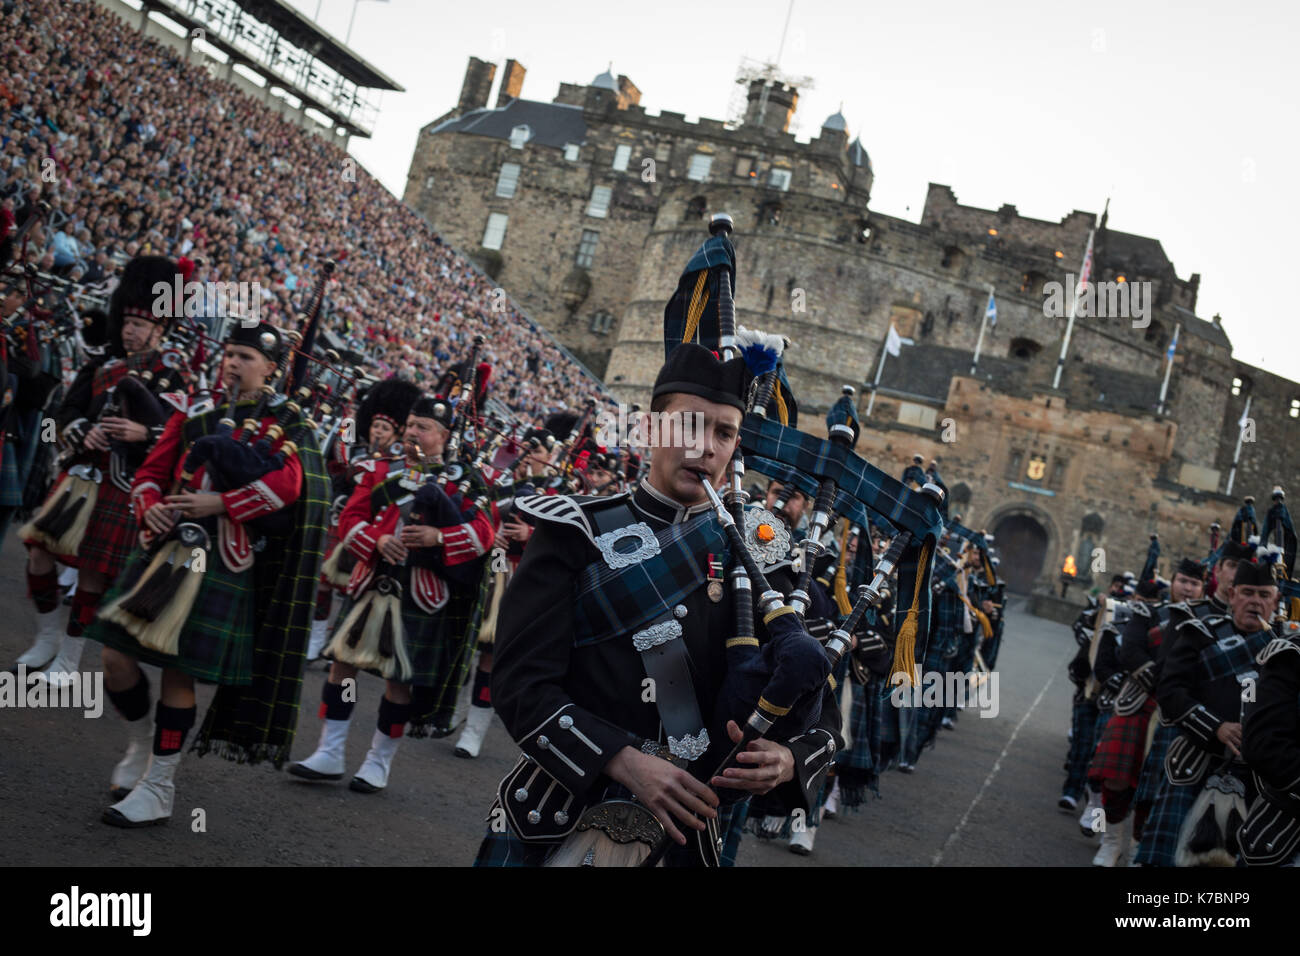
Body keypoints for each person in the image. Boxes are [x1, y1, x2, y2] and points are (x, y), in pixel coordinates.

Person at [473, 343, 841, 866]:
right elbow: (519, 685)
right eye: (690, 426)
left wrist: (787, 759)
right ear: (649, 430)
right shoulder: (575, 531)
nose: (707, 448)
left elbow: (821, 711)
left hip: (686, 843)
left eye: (724, 432)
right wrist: (619, 759)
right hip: (556, 820)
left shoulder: (765, 558)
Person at [85, 321, 329, 827]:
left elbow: (287, 488)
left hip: (222, 556)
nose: (233, 363)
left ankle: (159, 785)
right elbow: (153, 470)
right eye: (229, 353)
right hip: (165, 549)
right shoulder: (195, 411)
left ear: (272, 368)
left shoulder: (287, 421)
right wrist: (149, 503)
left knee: (179, 672)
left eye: (245, 356)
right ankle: (141, 741)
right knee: (113, 656)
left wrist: (222, 502)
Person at [290, 393, 495, 792]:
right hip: (374, 578)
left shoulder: (464, 479)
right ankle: (329, 752)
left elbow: (484, 535)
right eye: (410, 426)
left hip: (421, 590)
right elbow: (350, 516)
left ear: (444, 435)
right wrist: (378, 541)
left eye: (423, 428)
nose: (412, 433)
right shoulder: (382, 470)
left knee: (398, 680)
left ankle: (378, 762)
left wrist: (439, 536)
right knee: (343, 666)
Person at [16, 255, 188, 681]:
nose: (130, 330)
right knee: (39, 555)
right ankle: (47, 638)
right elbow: (63, 411)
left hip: (120, 483)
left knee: (91, 575)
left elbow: (179, 434)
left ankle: (69, 664)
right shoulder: (100, 364)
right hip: (79, 475)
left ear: (159, 328)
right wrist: (79, 430)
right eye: (127, 322)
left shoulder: (172, 376)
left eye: (140, 324)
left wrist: (142, 433)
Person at [1137, 558, 1280, 865]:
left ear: (1276, 601)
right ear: (1232, 595)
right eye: (1248, 592)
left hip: (1256, 778)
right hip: (1195, 764)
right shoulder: (1199, 634)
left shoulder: (1285, 650)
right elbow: (1171, 692)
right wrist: (1216, 727)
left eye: (1264, 595)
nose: (1256, 601)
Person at [1087, 558, 1205, 865]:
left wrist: (1173, 686)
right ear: (1173, 582)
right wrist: (1165, 680)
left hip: (1175, 711)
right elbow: (1131, 650)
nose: (1188, 588)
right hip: (1140, 701)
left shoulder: (1208, 623)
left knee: (1153, 788)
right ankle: (1111, 843)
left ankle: (1139, 848)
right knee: (1116, 778)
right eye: (1183, 581)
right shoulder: (1149, 612)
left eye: (1194, 583)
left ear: (1203, 588)